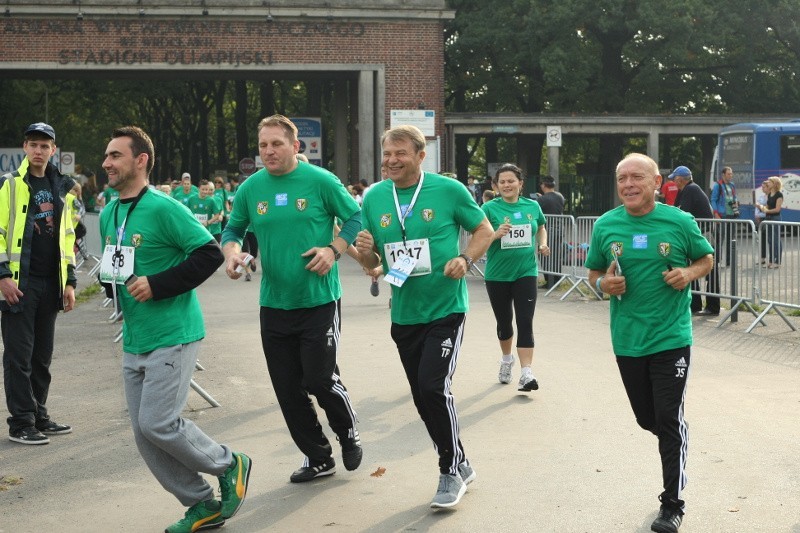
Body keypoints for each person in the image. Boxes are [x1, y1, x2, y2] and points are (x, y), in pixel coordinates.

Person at [99, 126, 252, 533]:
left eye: (115, 155)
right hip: (136, 337)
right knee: (144, 434)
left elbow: (206, 254)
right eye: (107, 156)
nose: (107, 163)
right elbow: (116, 267)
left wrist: (159, 284)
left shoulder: (165, 207)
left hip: (174, 331)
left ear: (140, 160)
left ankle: (229, 463)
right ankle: (202, 504)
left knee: (157, 423)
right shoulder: (111, 212)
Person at [356, 125, 493, 509]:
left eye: (400, 153)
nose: (391, 160)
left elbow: (483, 230)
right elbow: (374, 263)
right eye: (387, 153)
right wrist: (365, 252)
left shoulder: (449, 191)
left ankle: (449, 470)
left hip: (445, 308)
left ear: (420, 155)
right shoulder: (375, 197)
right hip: (404, 312)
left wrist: (465, 259)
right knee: (421, 396)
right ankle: (460, 459)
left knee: (434, 388)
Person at [222, 115, 363, 483]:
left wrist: (333, 250)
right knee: (287, 388)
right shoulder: (252, 188)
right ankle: (318, 456)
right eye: (263, 145)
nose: (268, 151)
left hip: (319, 300)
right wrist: (232, 253)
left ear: (295, 146)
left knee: (319, 379)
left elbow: (354, 218)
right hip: (274, 303)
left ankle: (347, 429)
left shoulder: (320, 181)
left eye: (276, 144)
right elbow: (234, 228)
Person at [586, 153, 713, 533]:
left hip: (671, 337)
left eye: (637, 177)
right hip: (627, 339)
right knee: (648, 419)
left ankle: (672, 503)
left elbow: (706, 258)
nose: (628, 184)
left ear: (657, 182)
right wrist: (601, 285)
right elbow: (593, 271)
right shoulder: (606, 225)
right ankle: (673, 438)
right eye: (622, 177)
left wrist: (688, 272)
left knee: (669, 419)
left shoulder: (679, 221)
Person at [0, 122, 77, 445]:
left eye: (44, 146)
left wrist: (70, 281)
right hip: (20, 283)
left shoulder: (62, 186)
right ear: (25, 147)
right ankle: (21, 423)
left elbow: (68, 235)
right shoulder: (9, 184)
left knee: (42, 357)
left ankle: (38, 414)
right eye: (33, 144)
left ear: (53, 150)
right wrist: (2, 275)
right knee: (19, 356)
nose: (38, 151)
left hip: (52, 283)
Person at [482, 164, 549, 391]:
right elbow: (478, 240)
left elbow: (540, 227)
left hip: (526, 272)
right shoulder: (489, 208)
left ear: (520, 184)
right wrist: (495, 234)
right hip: (497, 275)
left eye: (511, 181)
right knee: (504, 323)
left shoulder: (532, 205)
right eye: (502, 182)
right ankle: (506, 359)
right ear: (496, 186)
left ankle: (527, 373)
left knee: (525, 320)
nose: (507, 185)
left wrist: (542, 243)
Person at [671, 166, 720, 316]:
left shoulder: (691, 189)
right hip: (696, 234)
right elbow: (676, 210)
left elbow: (681, 212)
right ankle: (695, 304)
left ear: (680, 180)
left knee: (709, 270)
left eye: (674, 179)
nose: (673, 182)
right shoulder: (686, 190)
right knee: (691, 267)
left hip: (703, 234)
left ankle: (713, 306)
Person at [536, 175, 565, 289]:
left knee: (545, 255)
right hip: (560, 228)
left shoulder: (542, 199)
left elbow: (538, 208)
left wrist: (539, 198)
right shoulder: (560, 196)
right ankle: (556, 279)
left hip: (548, 229)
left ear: (543, 185)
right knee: (556, 254)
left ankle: (550, 280)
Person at [710, 166, 739, 266]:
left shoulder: (732, 185)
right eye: (728, 174)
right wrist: (716, 213)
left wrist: (736, 203)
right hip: (722, 215)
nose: (731, 176)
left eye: (731, 174)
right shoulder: (718, 185)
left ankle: (729, 261)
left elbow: (735, 197)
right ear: (723, 175)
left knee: (731, 239)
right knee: (719, 239)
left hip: (732, 215)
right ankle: (716, 261)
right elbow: (713, 199)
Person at [755, 176, 783, 268]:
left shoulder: (779, 195)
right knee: (770, 240)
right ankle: (771, 261)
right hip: (768, 218)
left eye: (770, 182)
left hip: (775, 218)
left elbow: (777, 209)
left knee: (776, 240)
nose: (768, 183)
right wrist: (761, 207)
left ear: (774, 183)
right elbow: (767, 207)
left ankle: (777, 261)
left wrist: (766, 211)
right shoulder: (770, 194)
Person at [754, 180, 768, 265]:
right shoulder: (761, 197)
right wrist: (757, 215)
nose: (762, 189)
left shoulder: (769, 198)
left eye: (764, 187)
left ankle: (772, 259)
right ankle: (762, 258)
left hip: (767, 219)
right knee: (762, 239)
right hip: (761, 220)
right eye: (762, 187)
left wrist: (760, 213)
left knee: (769, 239)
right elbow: (757, 207)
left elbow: (766, 209)